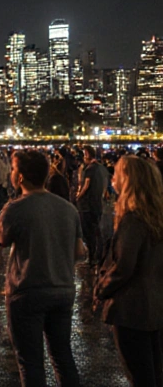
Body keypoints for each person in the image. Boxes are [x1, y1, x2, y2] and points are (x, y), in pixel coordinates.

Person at [0, 149, 85, 387]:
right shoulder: (68, 209)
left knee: (31, 363)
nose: (12, 173)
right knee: (63, 357)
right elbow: (79, 251)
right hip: (63, 289)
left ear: (21, 177)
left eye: (14, 169)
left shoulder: (16, 208)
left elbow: (1, 237)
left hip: (28, 290)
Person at [94, 155, 163, 387]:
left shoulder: (132, 220)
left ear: (129, 181)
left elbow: (123, 267)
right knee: (153, 371)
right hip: (155, 307)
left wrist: (101, 289)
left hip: (131, 309)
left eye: (117, 174)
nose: (112, 179)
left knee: (139, 374)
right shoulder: (156, 218)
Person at [77, 146, 110, 267]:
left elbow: (86, 185)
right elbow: (106, 184)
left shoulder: (90, 169)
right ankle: (98, 256)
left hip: (88, 205)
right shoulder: (101, 168)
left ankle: (91, 258)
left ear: (87, 154)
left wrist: (78, 197)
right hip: (97, 204)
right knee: (97, 230)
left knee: (88, 231)